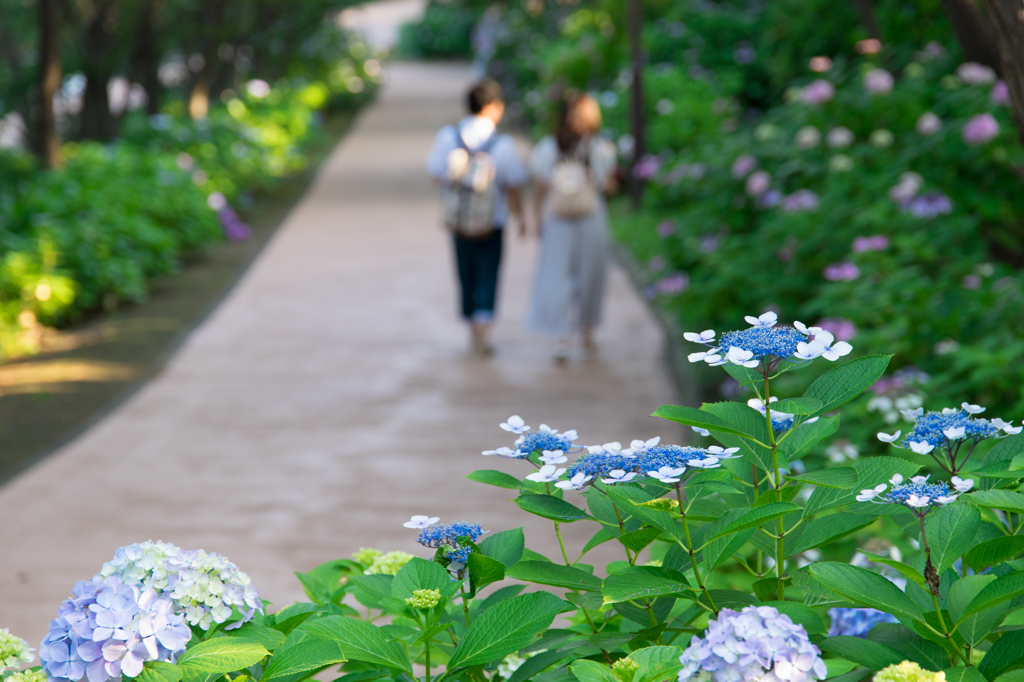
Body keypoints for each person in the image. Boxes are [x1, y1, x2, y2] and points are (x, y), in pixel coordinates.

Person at [426, 78, 528, 355]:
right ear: (494, 107)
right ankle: (484, 329)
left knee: (465, 271)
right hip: (491, 221)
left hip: (458, 220)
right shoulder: (502, 144)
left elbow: (436, 174)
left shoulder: (448, 137)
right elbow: (514, 183)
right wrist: (520, 216)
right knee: (488, 271)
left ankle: (472, 327)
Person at [525, 93, 618, 362]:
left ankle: (561, 336)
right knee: (590, 275)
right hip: (591, 216)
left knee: (557, 276)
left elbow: (540, 186)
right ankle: (586, 332)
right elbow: (609, 187)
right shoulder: (601, 147)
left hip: (557, 218)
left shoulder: (548, 146)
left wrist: (537, 217)